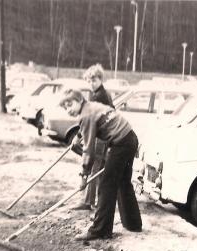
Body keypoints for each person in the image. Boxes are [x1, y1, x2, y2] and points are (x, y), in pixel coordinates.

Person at [59, 88, 142, 241]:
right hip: (130, 137)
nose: (68, 109)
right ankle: (133, 224)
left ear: (79, 100)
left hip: (121, 143)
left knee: (106, 185)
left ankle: (100, 230)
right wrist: (78, 136)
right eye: (65, 107)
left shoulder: (86, 115)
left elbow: (88, 150)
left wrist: (84, 175)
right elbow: (91, 126)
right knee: (123, 182)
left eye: (69, 104)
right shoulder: (90, 106)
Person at [72, 64, 114, 211]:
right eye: (89, 81)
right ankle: (97, 201)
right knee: (99, 167)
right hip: (103, 134)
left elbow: (91, 119)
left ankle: (88, 202)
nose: (91, 83)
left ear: (100, 79)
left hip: (101, 136)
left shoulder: (100, 96)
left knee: (94, 168)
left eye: (94, 80)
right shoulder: (100, 93)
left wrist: (79, 135)